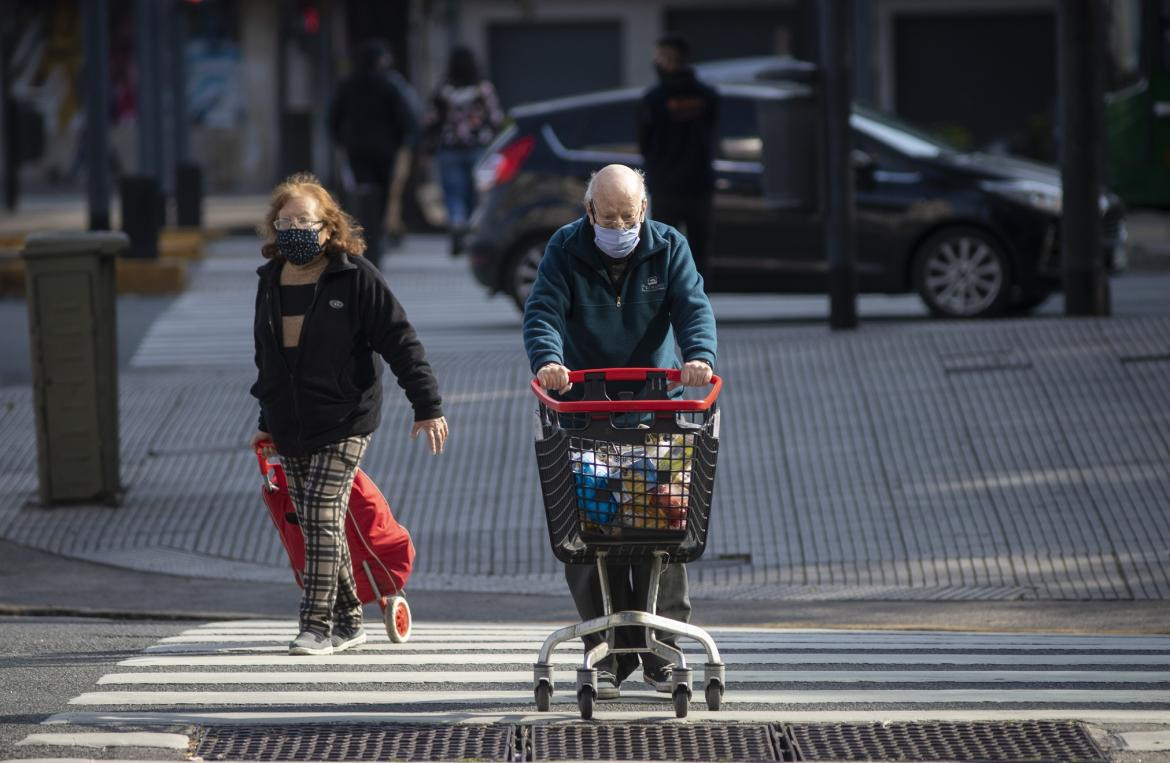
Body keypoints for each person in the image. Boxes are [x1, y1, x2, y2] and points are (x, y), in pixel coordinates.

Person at [522, 164, 717, 697]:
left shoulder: (668, 246)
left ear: (643, 210)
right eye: (607, 216)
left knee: (664, 520)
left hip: (654, 404)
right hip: (584, 409)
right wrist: (548, 360)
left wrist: (696, 356)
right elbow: (542, 311)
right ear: (589, 212)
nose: (618, 225)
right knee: (592, 526)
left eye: (627, 216)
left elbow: (692, 306)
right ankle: (604, 651)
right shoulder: (565, 247)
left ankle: (660, 649)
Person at [249, 172, 448, 656]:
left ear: (328, 227)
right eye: (286, 220)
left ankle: (315, 624)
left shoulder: (355, 277)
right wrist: (265, 419)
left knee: (320, 512)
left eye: (306, 221)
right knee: (321, 521)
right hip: (290, 422)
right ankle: (349, 619)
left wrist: (427, 405)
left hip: (346, 417)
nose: (295, 229)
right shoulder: (270, 281)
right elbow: (267, 356)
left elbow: (401, 342)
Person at [328, 39, 419, 259]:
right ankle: (376, 238)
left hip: (356, 149)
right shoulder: (391, 84)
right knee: (384, 194)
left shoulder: (347, 84)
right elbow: (407, 117)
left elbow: (332, 118)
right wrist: (405, 141)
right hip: (385, 150)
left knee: (362, 193)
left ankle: (363, 237)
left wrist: (340, 139)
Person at [637, 33, 719, 277]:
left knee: (663, 250)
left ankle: (667, 302)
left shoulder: (653, 100)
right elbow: (712, 132)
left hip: (666, 188)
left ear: (666, 59)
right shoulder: (707, 96)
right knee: (699, 253)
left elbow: (645, 144)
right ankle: (696, 302)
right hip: (700, 186)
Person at [424, 45, 503, 253]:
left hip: (449, 148)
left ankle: (456, 223)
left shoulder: (442, 90)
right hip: (478, 147)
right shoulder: (483, 90)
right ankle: (469, 231)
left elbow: (431, 120)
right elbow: (496, 119)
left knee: (452, 193)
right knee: (475, 193)